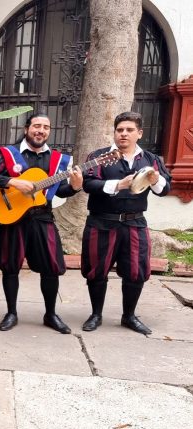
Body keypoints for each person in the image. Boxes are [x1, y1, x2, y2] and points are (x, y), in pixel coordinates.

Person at [0, 113, 82, 333]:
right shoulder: (8, 154)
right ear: (27, 128)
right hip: (12, 218)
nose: (41, 130)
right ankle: (11, 313)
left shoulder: (59, 161)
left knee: (52, 268)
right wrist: (13, 182)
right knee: (10, 267)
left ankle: (50, 314)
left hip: (42, 217)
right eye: (37, 125)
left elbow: (60, 190)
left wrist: (75, 186)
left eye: (46, 127)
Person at [80, 111, 171, 334]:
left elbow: (165, 189)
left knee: (136, 271)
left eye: (129, 130)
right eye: (119, 130)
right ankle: (96, 314)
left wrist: (155, 178)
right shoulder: (99, 156)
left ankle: (129, 316)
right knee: (96, 270)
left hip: (135, 224)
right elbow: (88, 184)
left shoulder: (151, 160)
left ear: (139, 133)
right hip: (101, 222)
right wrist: (118, 185)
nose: (123, 134)